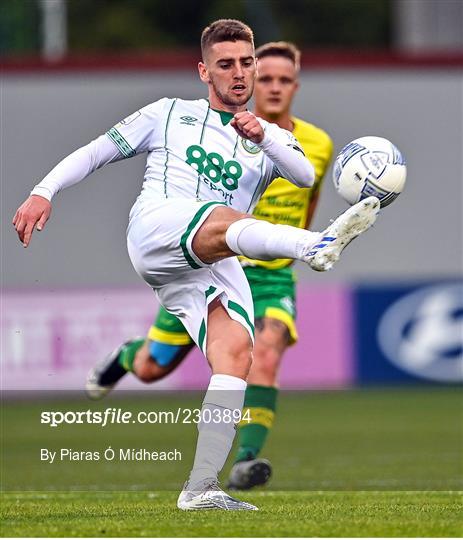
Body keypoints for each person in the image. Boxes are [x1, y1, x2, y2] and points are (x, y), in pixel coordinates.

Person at [13, 19, 380, 511]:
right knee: (226, 217)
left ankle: (201, 487)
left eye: (246, 63)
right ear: (203, 71)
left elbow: (303, 173)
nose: (239, 74)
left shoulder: (268, 136)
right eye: (225, 65)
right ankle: (314, 246)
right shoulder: (168, 114)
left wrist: (265, 137)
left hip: (210, 257)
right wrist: (43, 191)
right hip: (158, 228)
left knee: (236, 354)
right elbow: (98, 151)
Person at [86, 41, 334, 492]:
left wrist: (298, 246)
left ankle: (245, 460)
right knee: (152, 367)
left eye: (284, 80)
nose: (274, 88)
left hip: (272, 272)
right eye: (268, 78)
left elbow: (308, 195)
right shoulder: (226, 132)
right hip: (204, 259)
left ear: (295, 86)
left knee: (266, 350)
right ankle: (126, 355)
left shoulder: (314, 144)